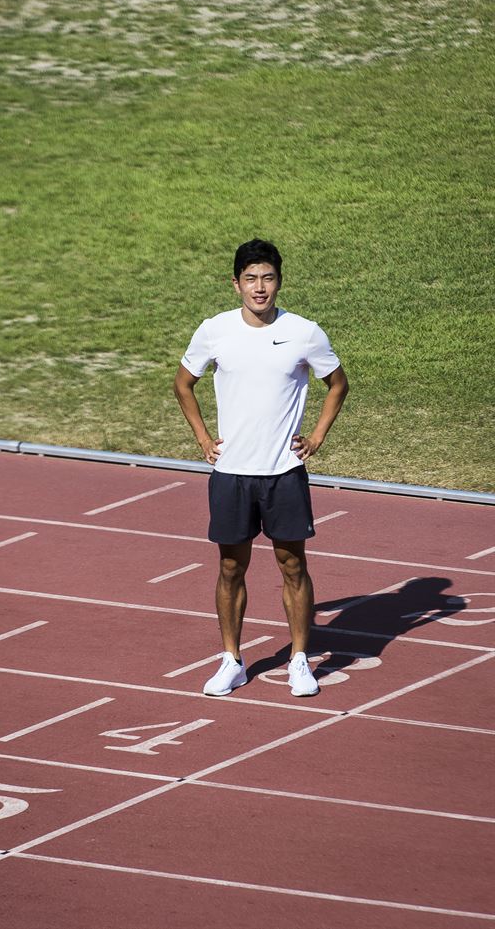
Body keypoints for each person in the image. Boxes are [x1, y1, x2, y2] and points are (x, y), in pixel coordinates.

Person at [174, 238, 349, 697]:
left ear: (279, 282)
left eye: (267, 278)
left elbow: (338, 384)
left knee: (293, 565)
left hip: (284, 474)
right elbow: (183, 383)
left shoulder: (305, 331)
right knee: (231, 567)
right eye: (250, 278)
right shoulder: (214, 330)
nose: (259, 287)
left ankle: (298, 661)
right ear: (236, 284)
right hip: (231, 474)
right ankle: (231, 659)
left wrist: (316, 437)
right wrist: (203, 440)